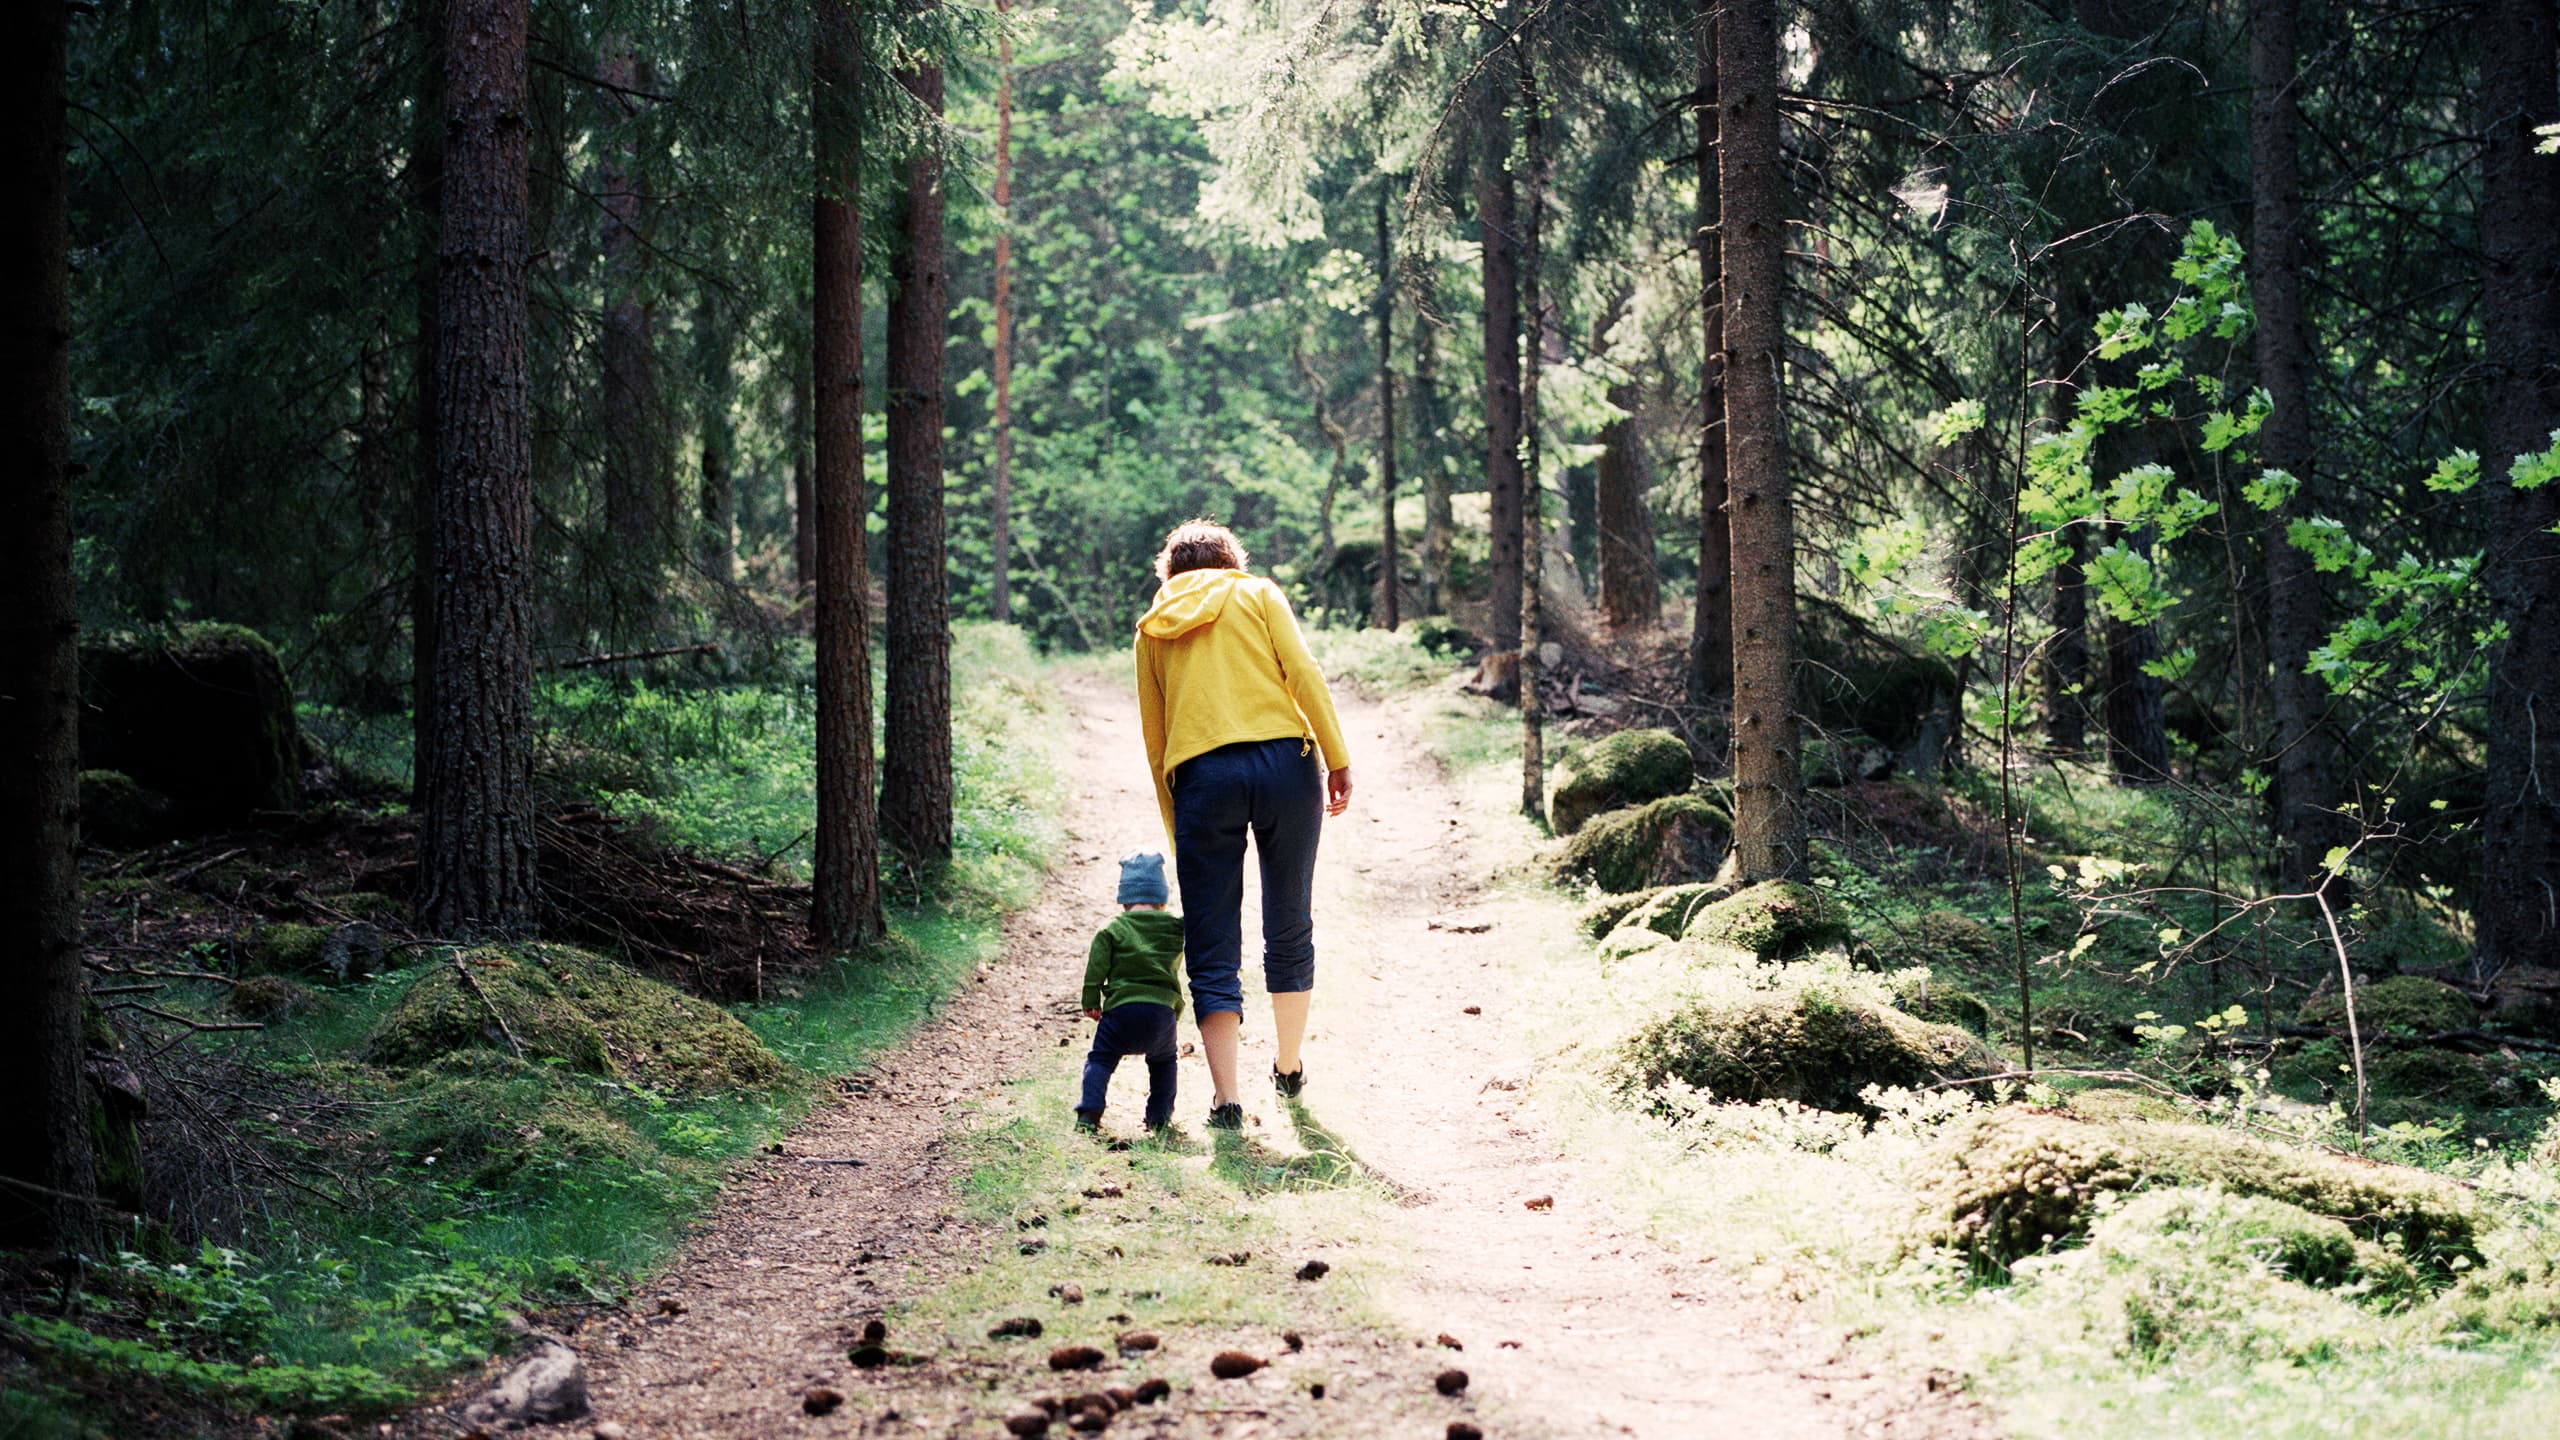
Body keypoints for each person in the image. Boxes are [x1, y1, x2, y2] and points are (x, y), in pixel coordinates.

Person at [1134, 520, 1351, 1131]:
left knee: (1212, 939)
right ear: (1233, 561)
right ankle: (1287, 1067)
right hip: (1287, 764)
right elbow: (1304, 674)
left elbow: (1156, 742)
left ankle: (1226, 1099)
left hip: (1204, 779)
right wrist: (1337, 757)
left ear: (1169, 573)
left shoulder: (1152, 627)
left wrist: (1178, 825)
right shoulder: (1258, 593)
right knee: (1290, 918)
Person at [1076, 851, 1186, 1133]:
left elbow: (1096, 969)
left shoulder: (1112, 928)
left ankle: (1089, 1113)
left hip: (1121, 1012)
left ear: (1123, 899)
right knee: (1164, 1062)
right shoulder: (1176, 927)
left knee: (1101, 1059)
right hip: (1162, 1014)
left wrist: (1091, 1001)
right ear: (1162, 899)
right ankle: (1159, 1117)